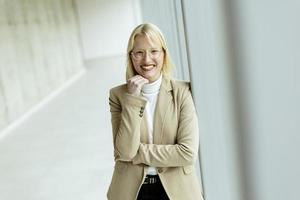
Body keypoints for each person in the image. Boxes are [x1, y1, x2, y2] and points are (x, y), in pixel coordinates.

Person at [107, 23, 203, 200]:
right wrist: (133, 99)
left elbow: (187, 153)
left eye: (154, 51)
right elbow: (125, 151)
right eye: (139, 53)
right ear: (131, 57)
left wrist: (138, 152)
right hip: (132, 192)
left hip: (177, 190)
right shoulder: (119, 95)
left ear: (164, 54)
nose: (146, 60)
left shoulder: (182, 91)